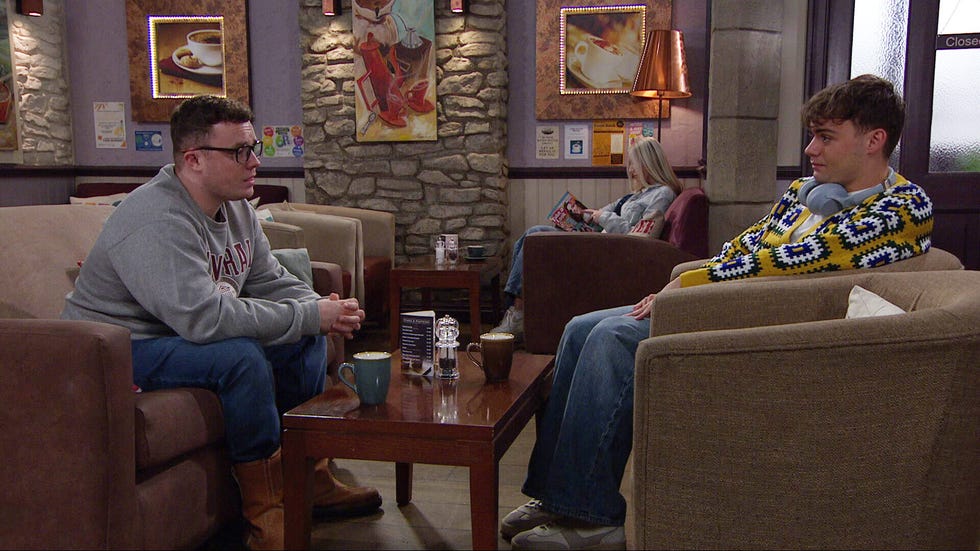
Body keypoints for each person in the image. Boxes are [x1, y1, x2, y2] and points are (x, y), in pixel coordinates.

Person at [501, 74, 935, 550]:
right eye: (812, 135)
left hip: (768, 321)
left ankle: (591, 518)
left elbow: (801, 259)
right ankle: (558, 496)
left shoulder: (902, 208)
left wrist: (687, 284)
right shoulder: (806, 191)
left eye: (826, 137)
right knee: (579, 328)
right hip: (727, 298)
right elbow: (745, 245)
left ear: (874, 140)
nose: (811, 149)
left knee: (612, 338)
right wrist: (694, 278)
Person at [62, 95, 381, 550]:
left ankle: (311, 479)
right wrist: (310, 314)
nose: (255, 162)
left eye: (253, 149)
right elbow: (204, 319)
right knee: (240, 358)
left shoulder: (236, 208)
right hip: (119, 347)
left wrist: (320, 309)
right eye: (239, 152)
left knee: (305, 339)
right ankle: (265, 513)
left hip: (177, 334)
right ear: (193, 159)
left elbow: (268, 278)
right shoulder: (155, 218)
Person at [492, 137, 682, 339]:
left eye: (634, 164)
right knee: (530, 236)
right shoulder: (638, 194)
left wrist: (603, 217)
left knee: (534, 236)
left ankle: (517, 313)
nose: (631, 170)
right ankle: (515, 310)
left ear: (648, 163)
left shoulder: (662, 194)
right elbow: (606, 211)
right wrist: (583, 214)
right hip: (600, 239)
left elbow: (641, 235)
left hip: (611, 250)